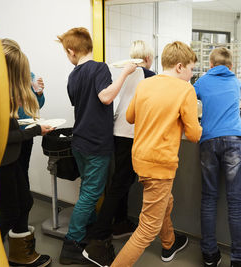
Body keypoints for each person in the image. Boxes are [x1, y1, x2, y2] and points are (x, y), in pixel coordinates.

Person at [110, 41, 202, 267]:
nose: (191, 75)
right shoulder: (185, 90)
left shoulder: (145, 84)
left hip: (140, 160)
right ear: (180, 67)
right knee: (146, 229)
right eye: (191, 69)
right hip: (160, 165)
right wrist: (191, 122)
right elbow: (193, 135)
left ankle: (169, 242)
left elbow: (131, 117)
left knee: (164, 203)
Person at [56, 27, 136, 265]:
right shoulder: (99, 68)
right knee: (92, 192)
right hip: (96, 143)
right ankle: (72, 243)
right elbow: (105, 97)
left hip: (79, 141)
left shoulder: (74, 74)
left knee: (87, 190)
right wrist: (125, 74)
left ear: (72, 51)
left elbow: (82, 101)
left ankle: (87, 230)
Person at [82, 40, 156, 266]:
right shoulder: (150, 75)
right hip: (133, 134)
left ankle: (121, 223)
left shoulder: (124, 73)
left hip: (117, 132)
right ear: (149, 58)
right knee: (120, 184)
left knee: (121, 181)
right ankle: (99, 234)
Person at [193, 47, 241, 267]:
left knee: (209, 198)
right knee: (235, 201)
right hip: (235, 141)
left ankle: (209, 254)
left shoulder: (202, 82)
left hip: (209, 141)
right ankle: (238, 258)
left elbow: (189, 99)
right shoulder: (235, 81)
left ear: (209, 65)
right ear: (230, 66)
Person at [0, 39, 54, 267]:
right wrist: (34, 130)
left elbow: (34, 105)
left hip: (19, 143)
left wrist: (37, 92)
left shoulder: (17, 79)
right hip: (7, 150)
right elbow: (1, 135)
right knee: (11, 208)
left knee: (22, 201)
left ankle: (20, 255)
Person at [0, 39, 47, 194]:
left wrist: (39, 93)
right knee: (10, 177)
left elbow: (36, 106)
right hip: (9, 135)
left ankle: (23, 201)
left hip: (26, 132)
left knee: (21, 171)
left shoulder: (28, 75)